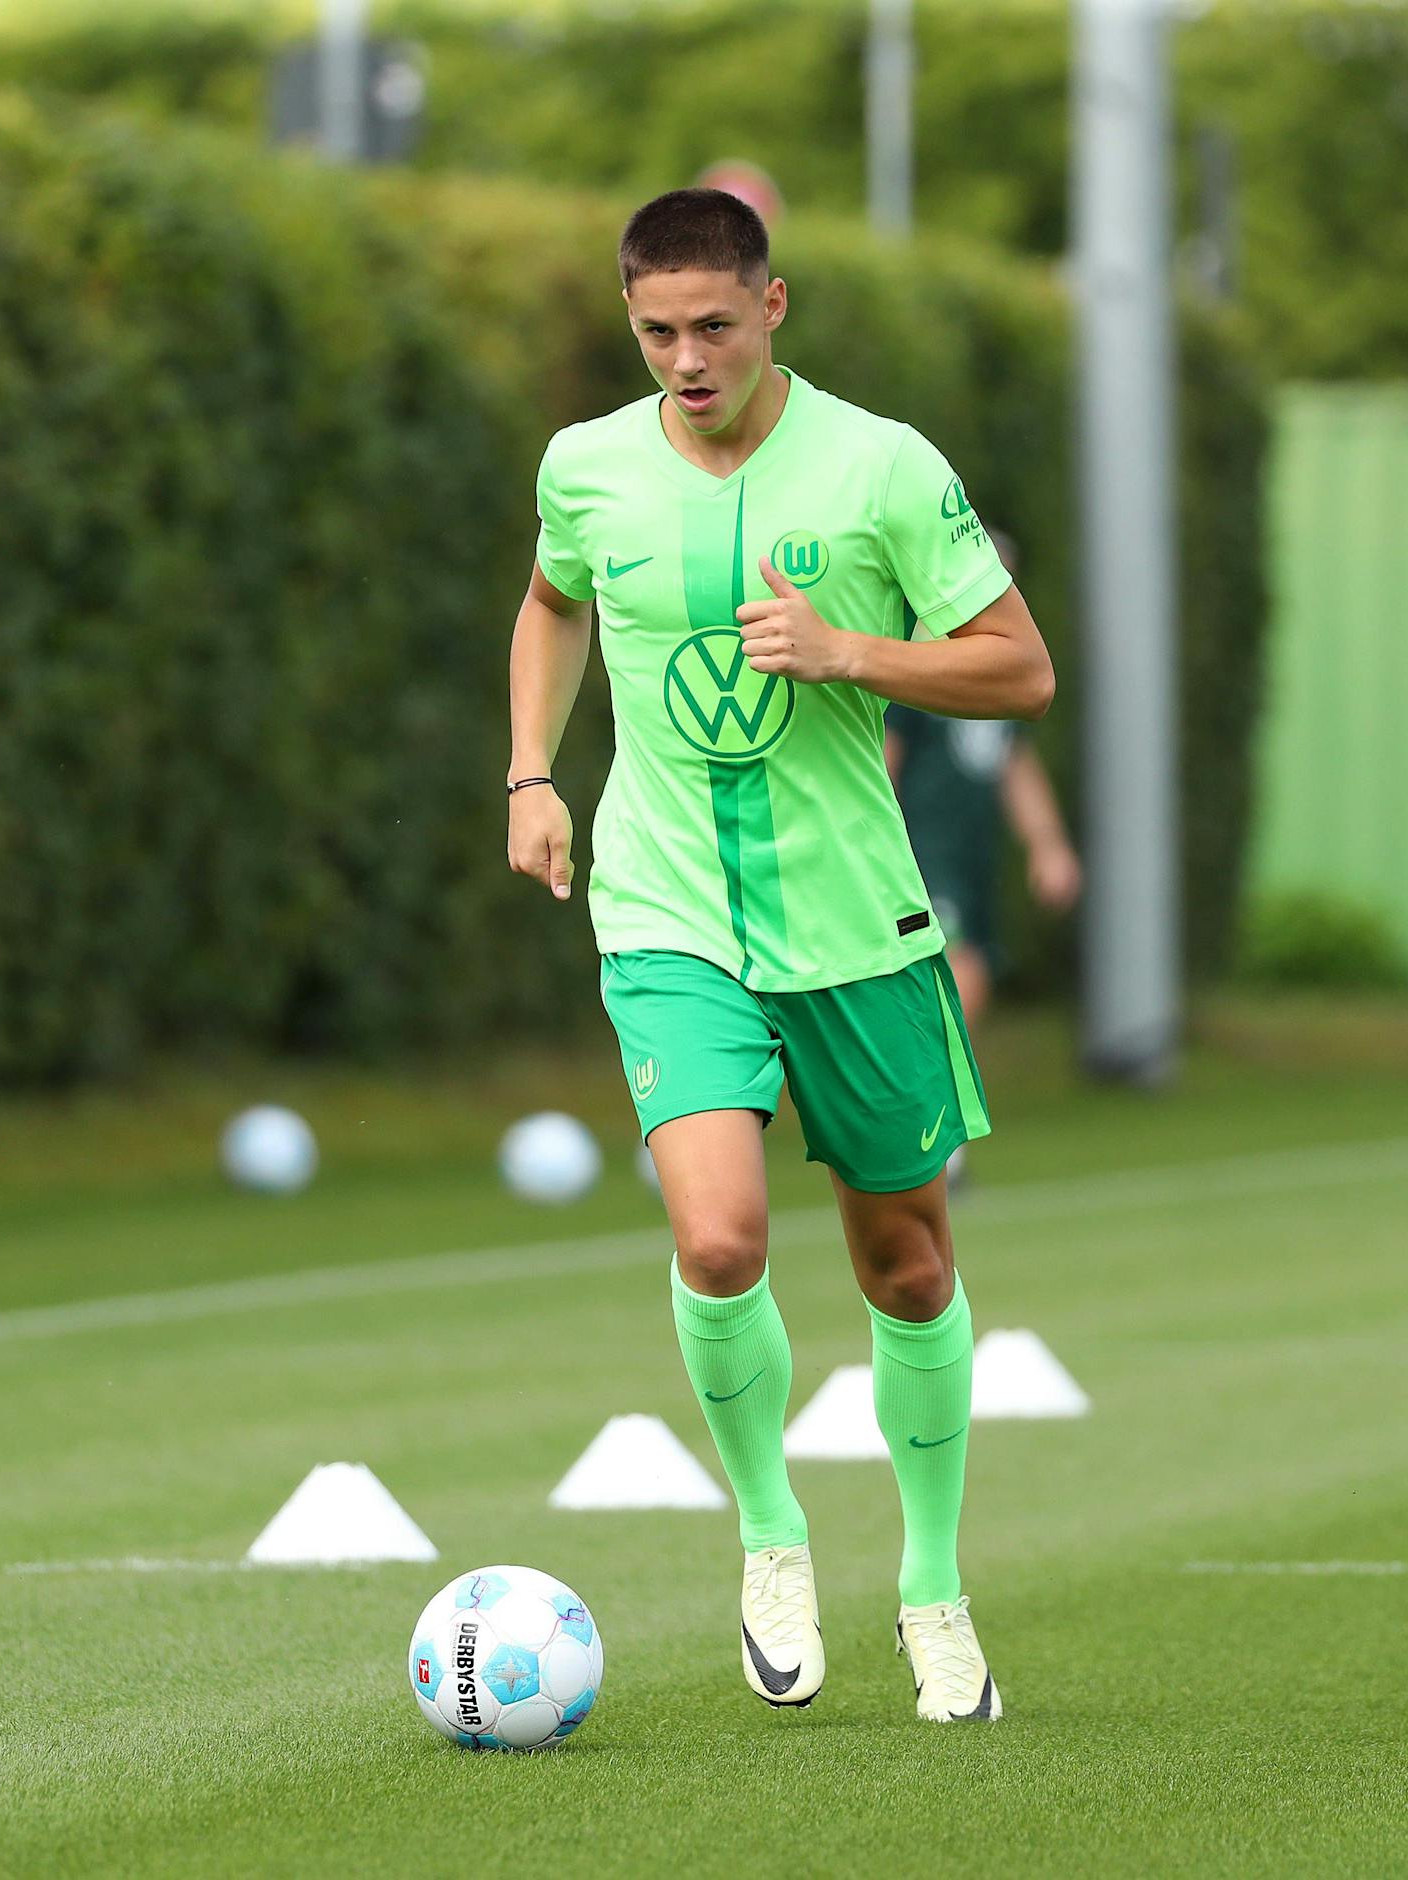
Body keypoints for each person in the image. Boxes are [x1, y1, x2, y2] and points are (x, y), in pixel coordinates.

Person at [505, 188, 1054, 1723]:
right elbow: (549, 607)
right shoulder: (585, 467)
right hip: (666, 912)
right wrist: (532, 773)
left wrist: (847, 653)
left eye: (713, 328)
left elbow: (1021, 667)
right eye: (656, 333)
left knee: (909, 1267)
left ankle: (932, 1587)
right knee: (719, 1242)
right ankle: (770, 1540)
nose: (687, 360)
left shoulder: (883, 466)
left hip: (857, 928)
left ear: (773, 308)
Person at [884, 533, 1082, 1183]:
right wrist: (874, 851)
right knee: (958, 973)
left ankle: (930, 1122)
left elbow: (1014, 765)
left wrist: (1048, 845)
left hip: (974, 862)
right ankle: (937, 1133)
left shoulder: (997, 674)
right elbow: (882, 761)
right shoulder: (918, 665)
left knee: (972, 978)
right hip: (922, 855)